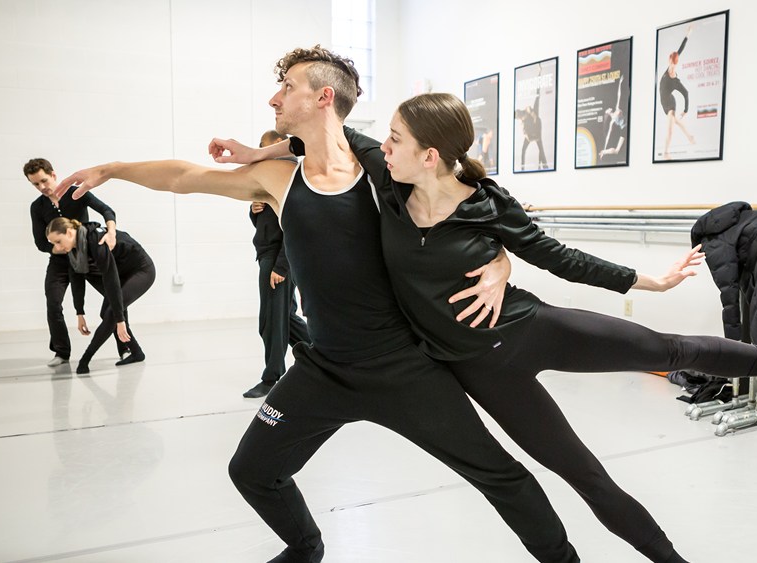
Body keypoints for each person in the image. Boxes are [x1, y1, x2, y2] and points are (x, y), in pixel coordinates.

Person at [252, 92, 757, 563]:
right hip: (481, 371)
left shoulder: (486, 202)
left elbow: (559, 257)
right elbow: (331, 135)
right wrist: (256, 152)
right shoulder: (388, 183)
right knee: (585, 475)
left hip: (532, 327)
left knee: (670, 347)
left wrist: (647, 281)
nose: (382, 147)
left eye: (395, 140)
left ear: (430, 154)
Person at [54, 46, 579, 563]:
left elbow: (469, 205)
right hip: (324, 370)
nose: (274, 99)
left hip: (402, 367)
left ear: (324, 97)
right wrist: (113, 169)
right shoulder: (280, 178)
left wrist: (503, 259)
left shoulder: (384, 175)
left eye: (288, 88)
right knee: (251, 471)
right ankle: (306, 549)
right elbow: (185, 178)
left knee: (499, 474)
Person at [25, 158, 128, 367]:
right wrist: (60, 248)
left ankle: (126, 347)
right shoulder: (37, 207)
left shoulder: (76, 192)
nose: (42, 187)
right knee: (53, 303)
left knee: (114, 298)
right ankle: (61, 352)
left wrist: (111, 232)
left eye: (44, 180)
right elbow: (39, 242)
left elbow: (107, 211)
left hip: (88, 257)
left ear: (53, 175)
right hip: (60, 262)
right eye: (36, 184)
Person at [45, 217, 156, 375]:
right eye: (53, 244)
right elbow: (77, 280)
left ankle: (85, 360)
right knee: (106, 313)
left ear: (69, 233)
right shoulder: (74, 250)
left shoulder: (96, 242)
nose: (57, 248)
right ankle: (137, 352)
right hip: (122, 273)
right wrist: (80, 312)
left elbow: (110, 279)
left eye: (58, 241)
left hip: (141, 270)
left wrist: (120, 319)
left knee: (111, 314)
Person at [245, 130, 310, 399]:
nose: (263, 153)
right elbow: (267, 225)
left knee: (271, 321)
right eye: (261, 147)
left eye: (268, 148)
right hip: (267, 254)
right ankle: (325, 354)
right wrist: (253, 209)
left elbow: (295, 228)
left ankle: (272, 377)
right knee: (284, 318)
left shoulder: (290, 178)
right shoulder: (269, 180)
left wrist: (281, 267)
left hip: (279, 259)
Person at [659, 25, 695, 159]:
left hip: (669, 103)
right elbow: (681, 49)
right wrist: (688, 34)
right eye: (671, 62)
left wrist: (686, 110)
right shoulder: (670, 64)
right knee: (676, 122)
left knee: (670, 127)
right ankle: (690, 136)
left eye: (674, 64)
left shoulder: (674, 79)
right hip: (663, 102)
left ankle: (666, 153)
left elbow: (686, 93)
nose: (672, 66)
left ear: (675, 64)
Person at [598, 75, 627, 159]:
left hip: (625, 126)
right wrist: (604, 148)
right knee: (617, 151)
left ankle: (603, 152)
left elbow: (619, 95)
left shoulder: (617, 109)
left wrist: (620, 84)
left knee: (617, 150)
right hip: (624, 129)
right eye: (607, 110)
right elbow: (607, 137)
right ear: (607, 113)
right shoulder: (612, 121)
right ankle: (603, 152)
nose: (609, 108)